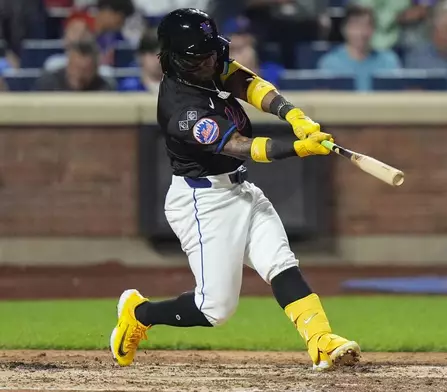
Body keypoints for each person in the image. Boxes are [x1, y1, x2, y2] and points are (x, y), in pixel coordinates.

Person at [109, 8, 361, 372]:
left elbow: (247, 82)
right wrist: (297, 147)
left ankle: (321, 341)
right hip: (203, 202)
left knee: (280, 263)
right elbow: (241, 145)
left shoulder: (205, 64)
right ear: (175, 59)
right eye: (202, 55)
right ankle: (139, 313)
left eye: (213, 51)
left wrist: (292, 114)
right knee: (214, 310)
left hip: (240, 189)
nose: (212, 59)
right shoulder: (182, 110)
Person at [318, 5, 401, 91]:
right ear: (344, 29)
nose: (361, 32)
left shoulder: (389, 60)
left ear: (373, 29)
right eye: (355, 26)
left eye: (366, 26)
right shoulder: (330, 63)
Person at [34, 40, 116, 91]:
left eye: (86, 70)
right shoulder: (48, 84)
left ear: (95, 69)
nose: (80, 74)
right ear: (69, 64)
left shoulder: (104, 88)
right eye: (77, 68)